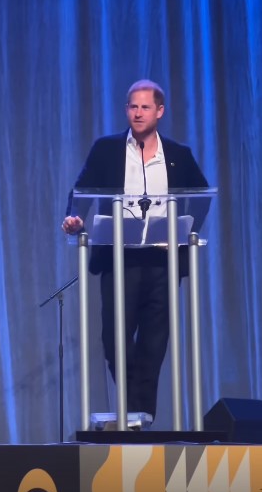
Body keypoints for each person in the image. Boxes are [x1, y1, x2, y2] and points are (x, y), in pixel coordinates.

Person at [61, 79, 209, 423]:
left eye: (144, 107)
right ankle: (133, 409)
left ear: (159, 111)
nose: (137, 112)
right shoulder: (107, 149)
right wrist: (74, 219)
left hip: (162, 260)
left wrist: (189, 229)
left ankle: (140, 417)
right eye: (132, 106)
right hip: (119, 256)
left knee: (154, 343)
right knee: (115, 340)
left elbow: (202, 196)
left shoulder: (178, 154)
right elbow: (81, 190)